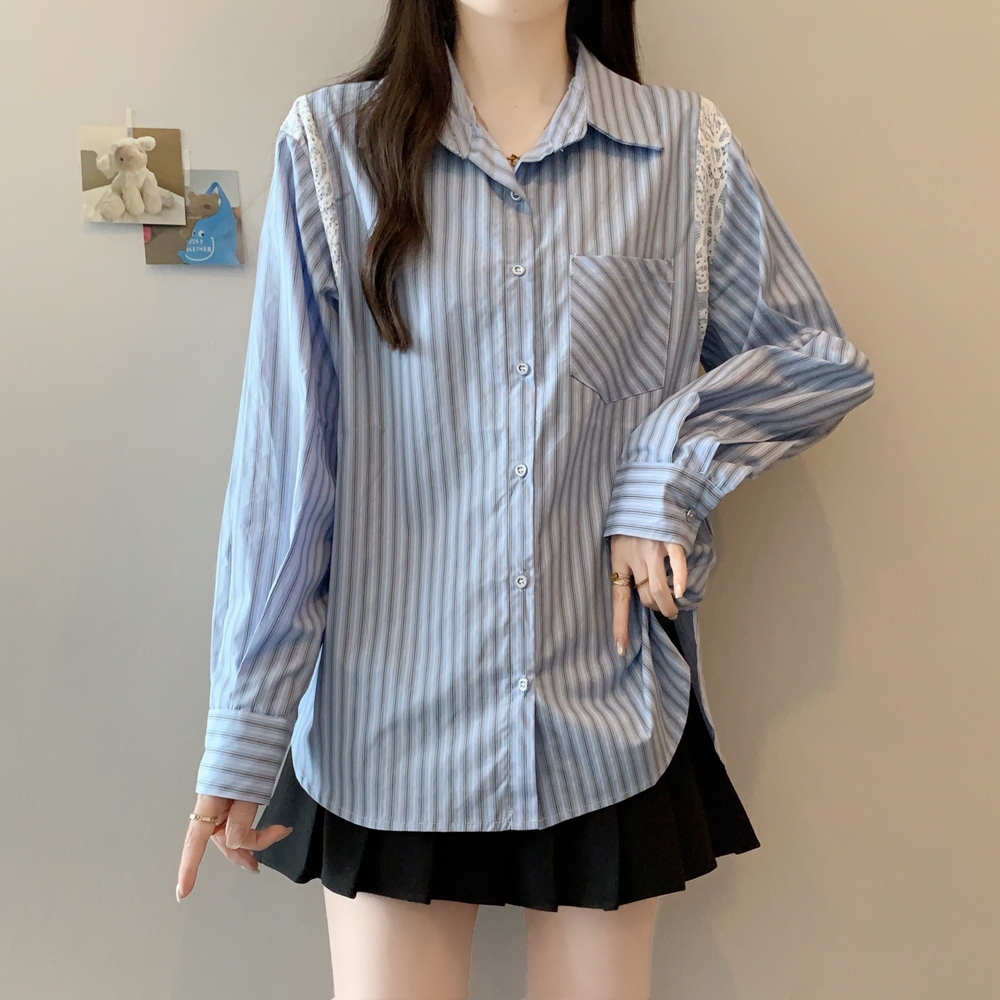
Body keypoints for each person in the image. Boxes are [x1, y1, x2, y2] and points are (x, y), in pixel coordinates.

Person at [175, 1, 875, 997]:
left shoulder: (683, 150)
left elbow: (816, 360)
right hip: (388, 723)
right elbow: (287, 468)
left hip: (603, 708)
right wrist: (244, 727)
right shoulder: (333, 147)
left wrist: (666, 472)